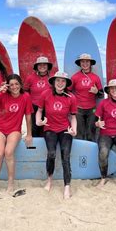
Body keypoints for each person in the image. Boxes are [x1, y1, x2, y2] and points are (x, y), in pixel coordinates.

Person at [0, 74, 33, 193]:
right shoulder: (3, 95)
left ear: (20, 84)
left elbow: (28, 116)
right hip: (0, 128)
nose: (14, 87)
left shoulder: (26, 96)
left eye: (17, 84)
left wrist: (29, 133)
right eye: (12, 85)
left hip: (14, 130)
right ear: (8, 86)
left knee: (8, 152)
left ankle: (10, 183)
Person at [36, 71, 77, 199]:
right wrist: (38, 120)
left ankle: (67, 186)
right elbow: (39, 111)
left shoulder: (71, 97)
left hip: (65, 129)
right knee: (52, 153)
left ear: (66, 83)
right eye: (58, 80)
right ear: (54, 82)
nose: (60, 83)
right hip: (50, 129)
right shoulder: (45, 94)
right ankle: (49, 180)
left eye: (63, 81)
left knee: (65, 155)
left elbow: (73, 117)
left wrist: (74, 130)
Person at [70, 53, 103, 141]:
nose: (85, 64)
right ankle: (80, 153)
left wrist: (97, 92)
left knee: (91, 134)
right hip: (78, 110)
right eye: (82, 62)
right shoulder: (75, 77)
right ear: (80, 64)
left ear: (90, 63)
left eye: (87, 62)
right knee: (79, 134)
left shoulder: (96, 78)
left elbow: (102, 94)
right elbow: (68, 92)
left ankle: (90, 153)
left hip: (92, 110)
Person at [24, 56, 53, 138]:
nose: (42, 66)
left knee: (46, 128)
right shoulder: (30, 78)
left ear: (48, 66)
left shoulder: (52, 78)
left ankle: (45, 147)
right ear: (36, 67)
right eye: (40, 65)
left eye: (45, 65)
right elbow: (25, 91)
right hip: (34, 106)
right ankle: (34, 148)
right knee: (34, 128)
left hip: (48, 107)